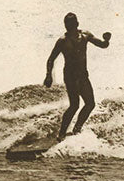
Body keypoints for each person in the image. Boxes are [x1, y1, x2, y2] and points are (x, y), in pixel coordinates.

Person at [44, 12, 111, 140]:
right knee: (74, 105)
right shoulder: (62, 41)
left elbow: (102, 45)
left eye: (71, 25)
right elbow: (51, 59)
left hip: (83, 76)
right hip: (70, 76)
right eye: (67, 25)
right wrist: (49, 76)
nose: (69, 28)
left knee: (90, 104)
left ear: (77, 24)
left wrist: (107, 40)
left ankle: (77, 129)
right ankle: (62, 133)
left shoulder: (85, 35)